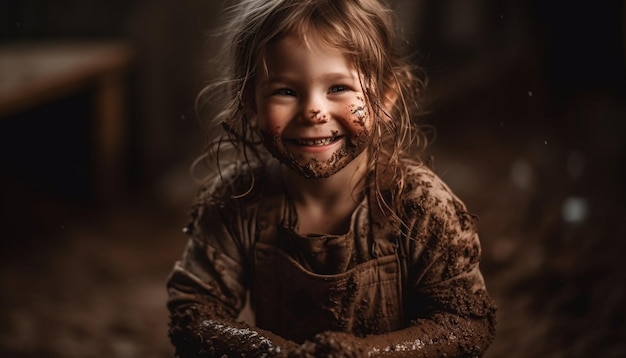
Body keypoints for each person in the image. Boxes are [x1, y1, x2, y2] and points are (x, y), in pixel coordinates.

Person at [166, 0, 497, 356]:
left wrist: (363, 354)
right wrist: (271, 353)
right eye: (285, 91)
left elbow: (467, 323)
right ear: (250, 104)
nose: (313, 110)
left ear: (386, 97)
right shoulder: (234, 201)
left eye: (338, 88)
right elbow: (195, 311)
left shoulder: (422, 206)